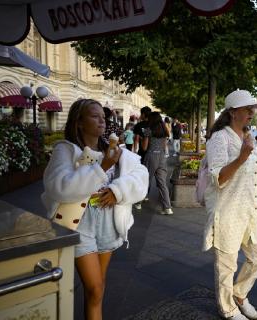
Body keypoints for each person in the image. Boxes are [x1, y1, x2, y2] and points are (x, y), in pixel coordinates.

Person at [41, 99, 148, 320]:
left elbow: (140, 176)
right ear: (79, 122)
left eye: (103, 116)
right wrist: (103, 167)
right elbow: (59, 186)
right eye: (94, 116)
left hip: (109, 219)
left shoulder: (115, 150)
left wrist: (118, 191)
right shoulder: (67, 149)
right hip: (81, 222)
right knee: (95, 288)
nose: (102, 120)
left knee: (98, 287)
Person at [203, 90, 257, 320]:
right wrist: (241, 157)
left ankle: (239, 294)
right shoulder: (220, 138)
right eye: (246, 108)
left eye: (252, 109)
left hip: (251, 210)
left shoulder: (247, 136)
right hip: (228, 210)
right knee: (227, 266)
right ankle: (228, 309)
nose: (251, 112)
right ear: (232, 112)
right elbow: (218, 178)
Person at [140, 112, 173, 215]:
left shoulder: (148, 131)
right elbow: (164, 147)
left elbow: (144, 148)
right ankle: (167, 207)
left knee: (146, 180)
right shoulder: (164, 130)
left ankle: (138, 202)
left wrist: (141, 140)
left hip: (151, 155)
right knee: (162, 183)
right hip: (161, 157)